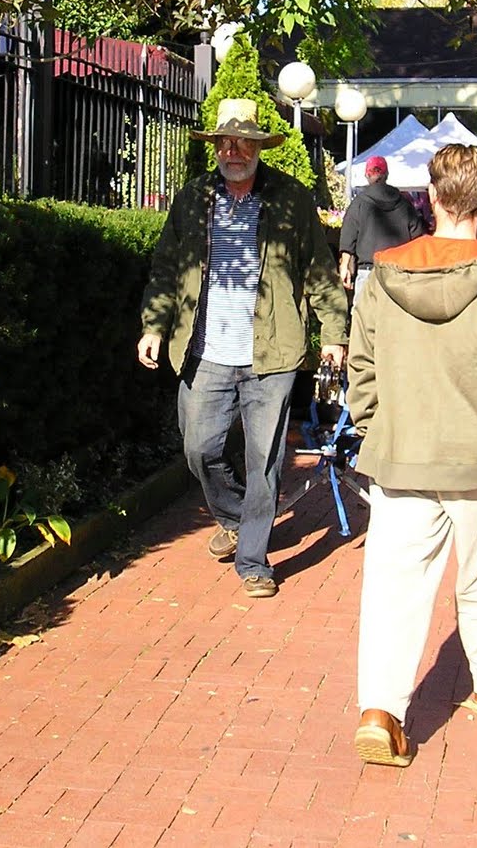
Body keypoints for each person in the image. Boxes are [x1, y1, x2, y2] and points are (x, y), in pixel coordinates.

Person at [346, 144, 477, 767]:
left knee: (394, 588)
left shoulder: (383, 276)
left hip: (403, 455)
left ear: (430, 197)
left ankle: (381, 710)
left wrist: (377, 431)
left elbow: (363, 370)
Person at [137, 98, 348, 600]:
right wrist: (154, 326)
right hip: (205, 349)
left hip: (271, 354)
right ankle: (234, 517)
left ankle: (253, 559)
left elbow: (319, 269)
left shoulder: (290, 199)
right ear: (215, 147)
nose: (234, 150)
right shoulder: (192, 200)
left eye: (244, 141)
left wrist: (335, 334)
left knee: (265, 459)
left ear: (257, 146)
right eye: (226, 142)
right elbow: (166, 267)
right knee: (199, 449)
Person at [338, 155, 426, 297]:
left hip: (368, 272)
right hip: (397, 273)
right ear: (387, 175)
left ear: (367, 175)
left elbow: (348, 236)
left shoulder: (359, 203)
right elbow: (417, 238)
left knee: (363, 318)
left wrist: (344, 266)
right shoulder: (404, 204)